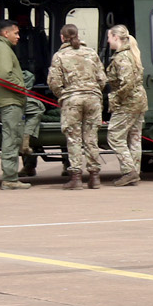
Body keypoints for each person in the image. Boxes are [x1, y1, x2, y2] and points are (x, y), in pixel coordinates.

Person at [0, 20, 42, 189]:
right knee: (10, 139)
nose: (18, 36)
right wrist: (22, 87)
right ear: (5, 33)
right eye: (15, 33)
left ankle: (26, 137)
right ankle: (10, 178)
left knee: (37, 107)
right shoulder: (2, 50)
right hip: (10, 100)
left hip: (10, 99)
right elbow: (4, 76)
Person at [47, 23, 106, 190]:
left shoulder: (59, 56)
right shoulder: (91, 53)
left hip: (72, 100)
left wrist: (64, 94)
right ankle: (95, 177)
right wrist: (92, 91)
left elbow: (54, 82)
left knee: (74, 138)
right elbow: (102, 79)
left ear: (62, 37)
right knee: (91, 138)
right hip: (93, 98)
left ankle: (76, 177)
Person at [104, 25, 147, 187]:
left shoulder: (122, 57)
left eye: (109, 37)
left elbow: (126, 82)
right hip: (139, 101)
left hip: (127, 103)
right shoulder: (132, 53)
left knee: (114, 136)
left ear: (116, 37)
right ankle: (134, 171)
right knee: (134, 138)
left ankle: (129, 171)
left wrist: (115, 97)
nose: (108, 41)